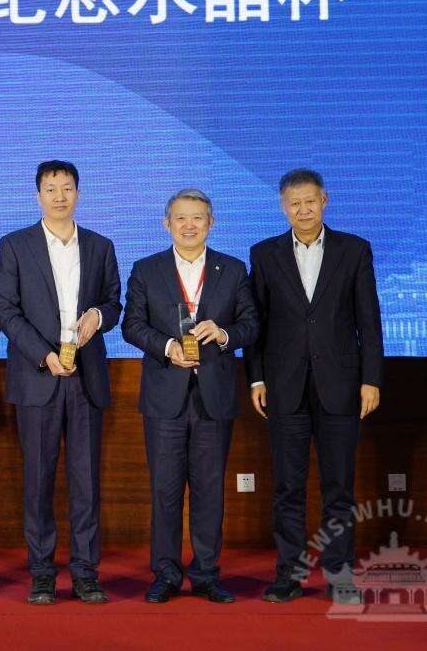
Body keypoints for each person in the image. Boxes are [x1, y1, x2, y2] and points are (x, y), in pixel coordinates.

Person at [247, 168, 383, 604]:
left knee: (338, 487)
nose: (303, 210)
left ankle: (340, 577)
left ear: (325, 200)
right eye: (294, 203)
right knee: (287, 487)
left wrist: (371, 379)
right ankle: (288, 575)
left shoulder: (354, 250)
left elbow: (369, 321)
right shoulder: (263, 254)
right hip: (283, 387)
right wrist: (257, 377)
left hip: (341, 386)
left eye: (310, 201)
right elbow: (256, 323)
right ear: (283, 207)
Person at [121, 189, 259, 605]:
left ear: (211, 222)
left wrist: (225, 333)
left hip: (214, 395)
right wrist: (167, 347)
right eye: (180, 218)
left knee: (209, 490)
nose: (189, 225)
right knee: (165, 490)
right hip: (165, 395)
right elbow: (132, 325)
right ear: (167, 224)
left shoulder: (232, 269)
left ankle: (206, 574)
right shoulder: (147, 269)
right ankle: (165, 574)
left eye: (198, 217)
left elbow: (251, 324)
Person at [0, 160, 121, 605]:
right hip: (38, 375)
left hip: (86, 378)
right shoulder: (15, 245)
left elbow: (114, 303)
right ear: (38, 196)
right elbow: (5, 309)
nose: (59, 196)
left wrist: (99, 316)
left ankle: (86, 573)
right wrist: (44, 354)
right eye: (51, 189)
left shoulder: (101, 245)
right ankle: (42, 574)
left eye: (67, 188)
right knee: (38, 480)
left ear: (78, 193)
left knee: (86, 482)